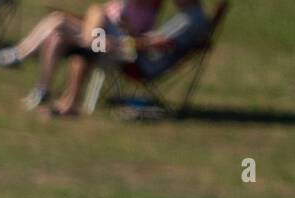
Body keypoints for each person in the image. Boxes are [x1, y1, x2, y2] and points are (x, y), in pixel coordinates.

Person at [0, 1, 162, 110]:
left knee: (61, 21)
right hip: (98, 35)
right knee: (57, 34)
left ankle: (19, 55)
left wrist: (126, 33)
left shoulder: (149, 11)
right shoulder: (128, 4)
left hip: (111, 43)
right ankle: (42, 89)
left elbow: (135, 39)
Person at [50, 0, 210, 115]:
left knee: (90, 49)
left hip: (143, 62)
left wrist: (129, 40)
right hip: (143, 56)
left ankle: (70, 102)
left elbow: (159, 43)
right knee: (94, 43)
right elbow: (158, 41)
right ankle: (70, 99)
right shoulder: (194, 16)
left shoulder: (190, 19)